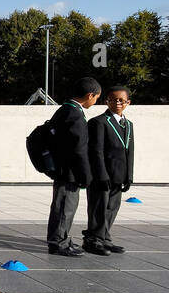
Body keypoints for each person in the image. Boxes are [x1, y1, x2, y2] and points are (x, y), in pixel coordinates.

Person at [46, 77, 101, 256]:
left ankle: (59, 238)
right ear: (89, 95)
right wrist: (86, 175)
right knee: (65, 206)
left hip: (62, 168)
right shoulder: (75, 114)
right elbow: (79, 149)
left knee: (62, 205)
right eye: (96, 98)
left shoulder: (65, 109)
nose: (95, 102)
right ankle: (59, 242)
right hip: (69, 171)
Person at [83, 86, 134, 255]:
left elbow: (129, 151)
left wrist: (129, 176)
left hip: (119, 175)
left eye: (121, 100)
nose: (117, 103)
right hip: (102, 176)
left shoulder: (128, 124)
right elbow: (96, 151)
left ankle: (104, 238)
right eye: (113, 99)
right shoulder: (99, 122)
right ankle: (92, 240)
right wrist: (101, 174)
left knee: (112, 207)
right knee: (98, 208)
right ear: (107, 101)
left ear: (128, 102)